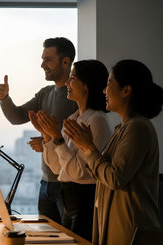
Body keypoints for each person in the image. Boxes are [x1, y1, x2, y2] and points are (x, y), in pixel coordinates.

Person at [63, 59, 162, 244]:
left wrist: (89, 148)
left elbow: (115, 178)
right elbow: (99, 171)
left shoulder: (137, 127)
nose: (104, 91)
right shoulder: (122, 128)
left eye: (109, 84)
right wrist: (86, 147)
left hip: (130, 230)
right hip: (116, 224)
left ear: (126, 91)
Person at [0, 37, 78, 224]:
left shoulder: (77, 95)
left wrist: (49, 142)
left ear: (66, 62)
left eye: (48, 59)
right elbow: (16, 117)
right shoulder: (45, 93)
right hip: (46, 181)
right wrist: (5, 98)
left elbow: (81, 135)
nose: (42, 65)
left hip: (68, 183)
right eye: (42, 59)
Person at [29, 60, 112, 241]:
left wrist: (57, 139)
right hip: (69, 199)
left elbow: (77, 171)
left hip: (85, 201)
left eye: (72, 78)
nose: (67, 83)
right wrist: (47, 136)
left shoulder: (97, 121)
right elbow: (58, 168)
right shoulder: (73, 118)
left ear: (86, 86)